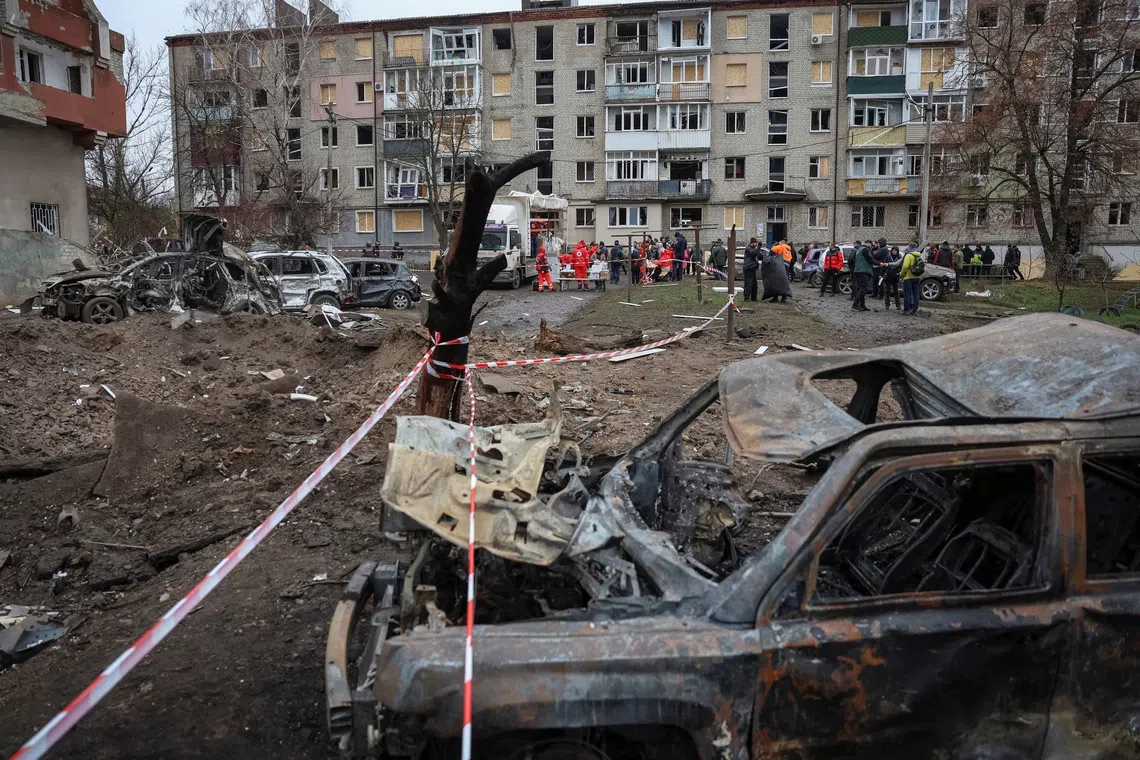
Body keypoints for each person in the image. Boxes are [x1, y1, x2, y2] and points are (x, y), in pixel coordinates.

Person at [851, 239, 875, 311]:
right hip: (863, 270)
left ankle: (862, 305)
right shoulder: (865, 249)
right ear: (868, 244)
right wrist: (879, 263)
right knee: (863, 288)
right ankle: (855, 304)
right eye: (871, 245)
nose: (871, 247)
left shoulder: (859, 249)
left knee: (861, 288)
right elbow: (870, 259)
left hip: (858, 270)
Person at [901, 245, 924, 315]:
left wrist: (902, 274)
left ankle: (906, 309)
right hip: (917, 277)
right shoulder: (919, 255)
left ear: (910, 247)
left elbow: (905, 266)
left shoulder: (908, 255)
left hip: (908, 277)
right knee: (916, 294)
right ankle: (915, 310)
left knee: (907, 294)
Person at [882, 246, 903, 310]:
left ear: (897, 251)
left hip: (896, 276)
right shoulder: (888, 257)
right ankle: (887, 304)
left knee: (896, 291)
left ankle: (898, 305)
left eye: (895, 250)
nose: (894, 251)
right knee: (887, 291)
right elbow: (884, 266)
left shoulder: (899, 257)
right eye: (893, 250)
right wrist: (881, 274)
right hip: (888, 276)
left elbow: (902, 266)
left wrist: (900, 274)